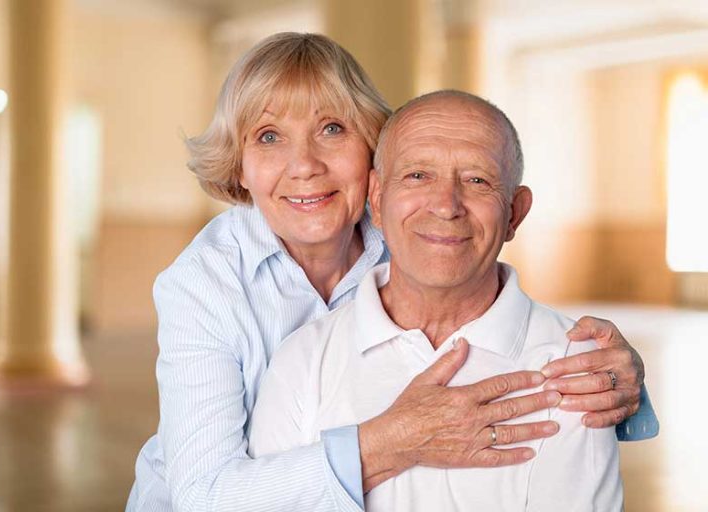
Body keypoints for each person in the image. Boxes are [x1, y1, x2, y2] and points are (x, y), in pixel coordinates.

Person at [127, 33, 656, 512]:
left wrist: (614, 376)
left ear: (371, 154)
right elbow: (203, 495)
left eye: (332, 128)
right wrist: (394, 440)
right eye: (268, 136)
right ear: (239, 166)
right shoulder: (204, 283)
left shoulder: (408, 231)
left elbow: (501, 311)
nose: (304, 164)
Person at [248, 90, 625, 511]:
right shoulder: (303, 358)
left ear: (515, 213)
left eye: (477, 180)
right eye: (417, 176)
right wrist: (393, 442)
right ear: (376, 196)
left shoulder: (576, 365)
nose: (446, 206)